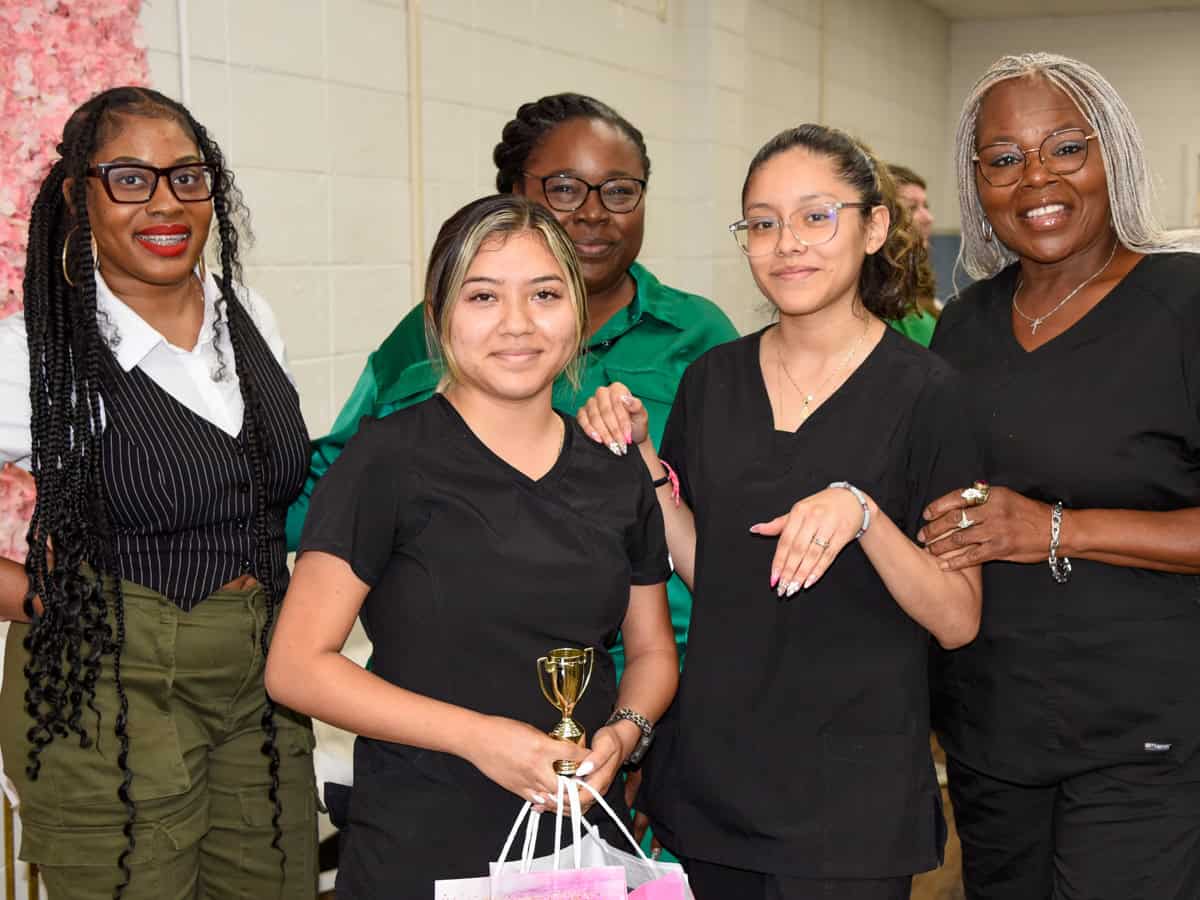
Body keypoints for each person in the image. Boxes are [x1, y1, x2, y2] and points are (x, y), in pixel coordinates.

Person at [578, 124, 982, 900]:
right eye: (762, 223)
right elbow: (716, 572)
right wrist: (641, 463)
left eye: (814, 216)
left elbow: (958, 618)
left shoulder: (930, 395)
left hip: (848, 799)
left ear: (873, 227)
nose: (786, 243)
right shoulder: (713, 380)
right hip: (713, 782)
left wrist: (863, 514)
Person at [265, 194, 680, 899]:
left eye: (545, 294)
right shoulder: (385, 463)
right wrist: (479, 738)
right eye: (483, 296)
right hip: (425, 837)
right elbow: (297, 668)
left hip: (576, 847)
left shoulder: (613, 470)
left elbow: (650, 653)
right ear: (438, 318)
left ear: (578, 313)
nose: (517, 324)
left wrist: (620, 734)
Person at [287, 93, 738, 676]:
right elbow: (334, 478)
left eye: (620, 190)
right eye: (565, 188)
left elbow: (735, 518)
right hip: (483, 677)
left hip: (666, 675)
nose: (595, 213)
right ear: (512, 196)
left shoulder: (699, 335)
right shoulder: (435, 331)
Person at [0, 88, 316, 899]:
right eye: (131, 179)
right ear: (78, 195)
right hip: (107, 692)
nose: (167, 203)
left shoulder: (246, 313)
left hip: (262, 678)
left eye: (188, 177)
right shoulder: (30, 352)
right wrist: (43, 599)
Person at [921, 52, 1200, 900]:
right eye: (1004, 159)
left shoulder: (1183, 302)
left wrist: (1050, 528)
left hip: (1143, 741)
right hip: (989, 734)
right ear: (978, 184)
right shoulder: (964, 325)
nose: (1036, 177)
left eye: (1066, 148)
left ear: (1113, 153)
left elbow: (1021, 519)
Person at [886, 163, 939, 346]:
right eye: (912, 208)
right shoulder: (871, 305)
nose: (928, 218)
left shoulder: (916, 287)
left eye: (926, 206)